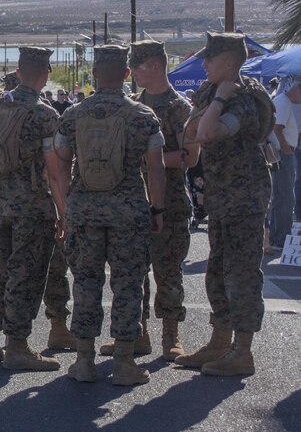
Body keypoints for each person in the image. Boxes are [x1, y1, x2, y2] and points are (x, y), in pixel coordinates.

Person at [55, 45, 166, 386]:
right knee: (128, 286)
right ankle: (123, 363)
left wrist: (64, 209)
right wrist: (157, 209)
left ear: (93, 75)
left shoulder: (72, 115)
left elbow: (60, 161)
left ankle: (85, 361)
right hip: (129, 213)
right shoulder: (143, 116)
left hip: (83, 213)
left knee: (85, 283)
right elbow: (156, 168)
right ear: (127, 75)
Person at [175, 32, 274, 376]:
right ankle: (219, 342)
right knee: (216, 271)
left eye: (210, 59)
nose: (203, 64)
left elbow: (206, 134)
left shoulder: (244, 99)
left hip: (244, 198)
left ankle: (242, 351)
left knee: (242, 273)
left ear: (230, 63)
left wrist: (218, 102)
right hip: (220, 197)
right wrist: (213, 99)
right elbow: (188, 131)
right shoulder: (211, 92)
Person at [99, 40, 200, 361]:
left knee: (168, 271)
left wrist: (150, 159)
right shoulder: (132, 106)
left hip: (170, 202)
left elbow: (191, 157)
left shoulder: (181, 109)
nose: (134, 74)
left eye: (138, 67)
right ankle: (136, 333)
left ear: (155, 66)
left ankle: (171, 334)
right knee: (130, 272)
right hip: (132, 202)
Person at [0, 47, 65, 371]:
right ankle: (18, 346)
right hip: (30, 207)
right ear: (46, 73)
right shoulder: (44, 114)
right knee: (27, 275)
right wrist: (63, 211)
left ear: (19, 71)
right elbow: (53, 171)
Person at [269, 76, 300, 251]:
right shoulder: (283, 102)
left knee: (283, 196)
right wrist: (286, 150)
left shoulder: (283, 102)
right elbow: (277, 129)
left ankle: (278, 236)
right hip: (283, 153)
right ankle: (281, 238)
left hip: (283, 151)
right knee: (285, 196)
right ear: (297, 89)